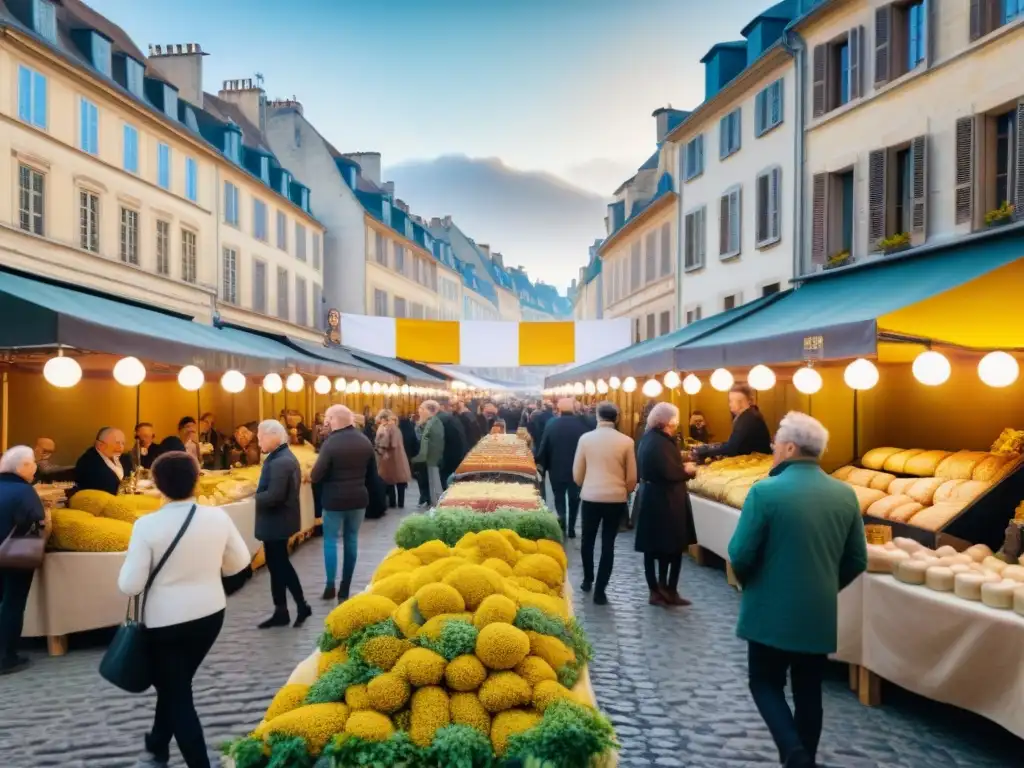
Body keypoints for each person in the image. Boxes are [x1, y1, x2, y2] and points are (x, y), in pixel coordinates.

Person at [728, 412, 867, 768]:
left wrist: (751, 584)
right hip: (818, 611)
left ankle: (793, 753)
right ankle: (805, 757)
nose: (773, 448)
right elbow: (856, 559)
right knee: (809, 690)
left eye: (776, 443)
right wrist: (825, 586)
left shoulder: (765, 491)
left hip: (769, 610)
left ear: (790, 447)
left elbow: (739, 553)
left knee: (764, 682)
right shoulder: (845, 494)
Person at [118, 451, 250, 768]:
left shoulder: (146, 525)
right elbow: (239, 563)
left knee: (177, 693)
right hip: (209, 615)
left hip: (166, 621)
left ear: (157, 485)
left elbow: (130, 585)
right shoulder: (217, 516)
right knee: (175, 682)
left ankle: (196, 762)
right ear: (197, 480)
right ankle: (157, 742)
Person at [311, 405, 379, 602]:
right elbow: (372, 474)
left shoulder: (331, 444)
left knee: (330, 540)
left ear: (332, 420)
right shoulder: (364, 441)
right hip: (358, 499)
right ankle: (345, 587)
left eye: (327, 419)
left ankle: (330, 585)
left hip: (333, 500)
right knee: (351, 540)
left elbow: (316, 475)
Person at [633, 402, 697, 607]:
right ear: (668, 422)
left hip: (654, 498)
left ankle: (661, 589)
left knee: (655, 548)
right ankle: (665, 589)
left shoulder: (649, 439)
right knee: (669, 546)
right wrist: (688, 471)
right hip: (665, 501)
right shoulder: (660, 442)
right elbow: (669, 471)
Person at [572, 402, 636, 605]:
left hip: (591, 497)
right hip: (615, 499)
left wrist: (586, 484)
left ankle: (587, 579)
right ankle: (601, 590)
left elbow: (577, 474)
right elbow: (632, 477)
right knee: (608, 544)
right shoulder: (626, 441)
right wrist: (623, 490)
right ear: (616, 418)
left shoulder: (585, 439)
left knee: (587, 540)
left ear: (597, 417)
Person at [253, 420, 311, 629]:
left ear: (274, 436)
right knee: (277, 566)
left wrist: (255, 496)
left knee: (281, 566)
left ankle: (300, 606)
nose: (258, 440)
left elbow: (275, 495)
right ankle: (282, 610)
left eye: (261, 436)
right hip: (278, 520)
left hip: (277, 521)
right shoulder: (280, 457)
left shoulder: (280, 461)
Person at [0, 446, 48, 675]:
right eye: (32, 463)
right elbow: (36, 521)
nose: (36, 467)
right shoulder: (25, 491)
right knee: (12, 604)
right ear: (21, 467)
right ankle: (6, 657)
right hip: (13, 557)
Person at [535, 398, 588, 538]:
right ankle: (571, 527)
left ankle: (562, 521)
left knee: (559, 498)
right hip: (577, 469)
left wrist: (541, 464)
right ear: (574, 410)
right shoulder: (582, 426)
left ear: (558, 410)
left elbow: (544, 446)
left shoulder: (552, 424)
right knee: (574, 499)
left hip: (556, 468)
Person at [693, 383, 772, 460]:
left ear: (740, 402)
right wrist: (710, 447)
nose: (729, 404)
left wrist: (706, 450)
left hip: (757, 464)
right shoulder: (749, 415)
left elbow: (732, 447)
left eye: (731, 401)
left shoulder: (748, 419)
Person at [73, 427, 132, 496]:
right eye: (117, 443)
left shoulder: (125, 459)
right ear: (100, 445)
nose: (121, 447)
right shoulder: (88, 462)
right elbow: (103, 488)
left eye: (123, 443)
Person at [375, 410, 411, 509]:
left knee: (389, 480)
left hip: (389, 458)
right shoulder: (396, 428)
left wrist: (380, 449)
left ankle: (392, 503)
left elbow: (386, 443)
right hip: (399, 456)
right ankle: (400, 503)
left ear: (383, 419)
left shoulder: (386, 428)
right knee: (400, 481)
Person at [411, 400, 445, 506]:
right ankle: (430, 501)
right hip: (427, 458)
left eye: (422, 409)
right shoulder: (426, 422)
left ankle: (435, 503)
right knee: (428, 481)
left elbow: (433, 442)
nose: (419, 411)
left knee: (433, 483)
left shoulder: (433, 423)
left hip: (432, 458)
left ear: (429, 410)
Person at [437, 405, 467, 490]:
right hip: (457, 454)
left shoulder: (443, 421)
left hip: (449, 456)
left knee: (446, 479)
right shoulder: (452, 420)